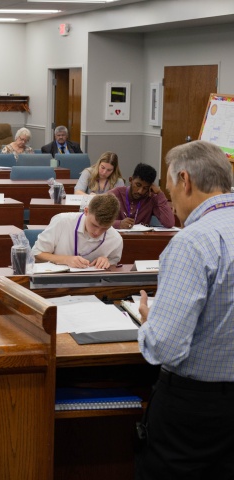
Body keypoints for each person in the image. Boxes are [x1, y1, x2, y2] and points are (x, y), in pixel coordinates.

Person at [136, 140, 234, 479]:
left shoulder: (192, 242)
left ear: (185, 180)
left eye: (168, 187)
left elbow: (166, 346)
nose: (169, 198)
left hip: (196, 411)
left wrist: (150, 323)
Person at [32, 193, 123, 268]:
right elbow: (36, 254)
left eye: (105, 228)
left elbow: (114, 265)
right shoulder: (62, 221)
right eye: (94, 225)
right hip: (56, 282)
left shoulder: (115, 239)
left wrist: (106, 262)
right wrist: (65, 260)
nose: (97, 232)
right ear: (86, 211)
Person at [109, 163, 175, 229]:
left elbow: (169, 223)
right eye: (138, 185)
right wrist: (118, 224)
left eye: (145, 188)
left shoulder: (151, 198)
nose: (140, 191)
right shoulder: (115, 194)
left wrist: (160, 194)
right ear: (131, 180)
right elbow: (98, 220)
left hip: (141, 238)